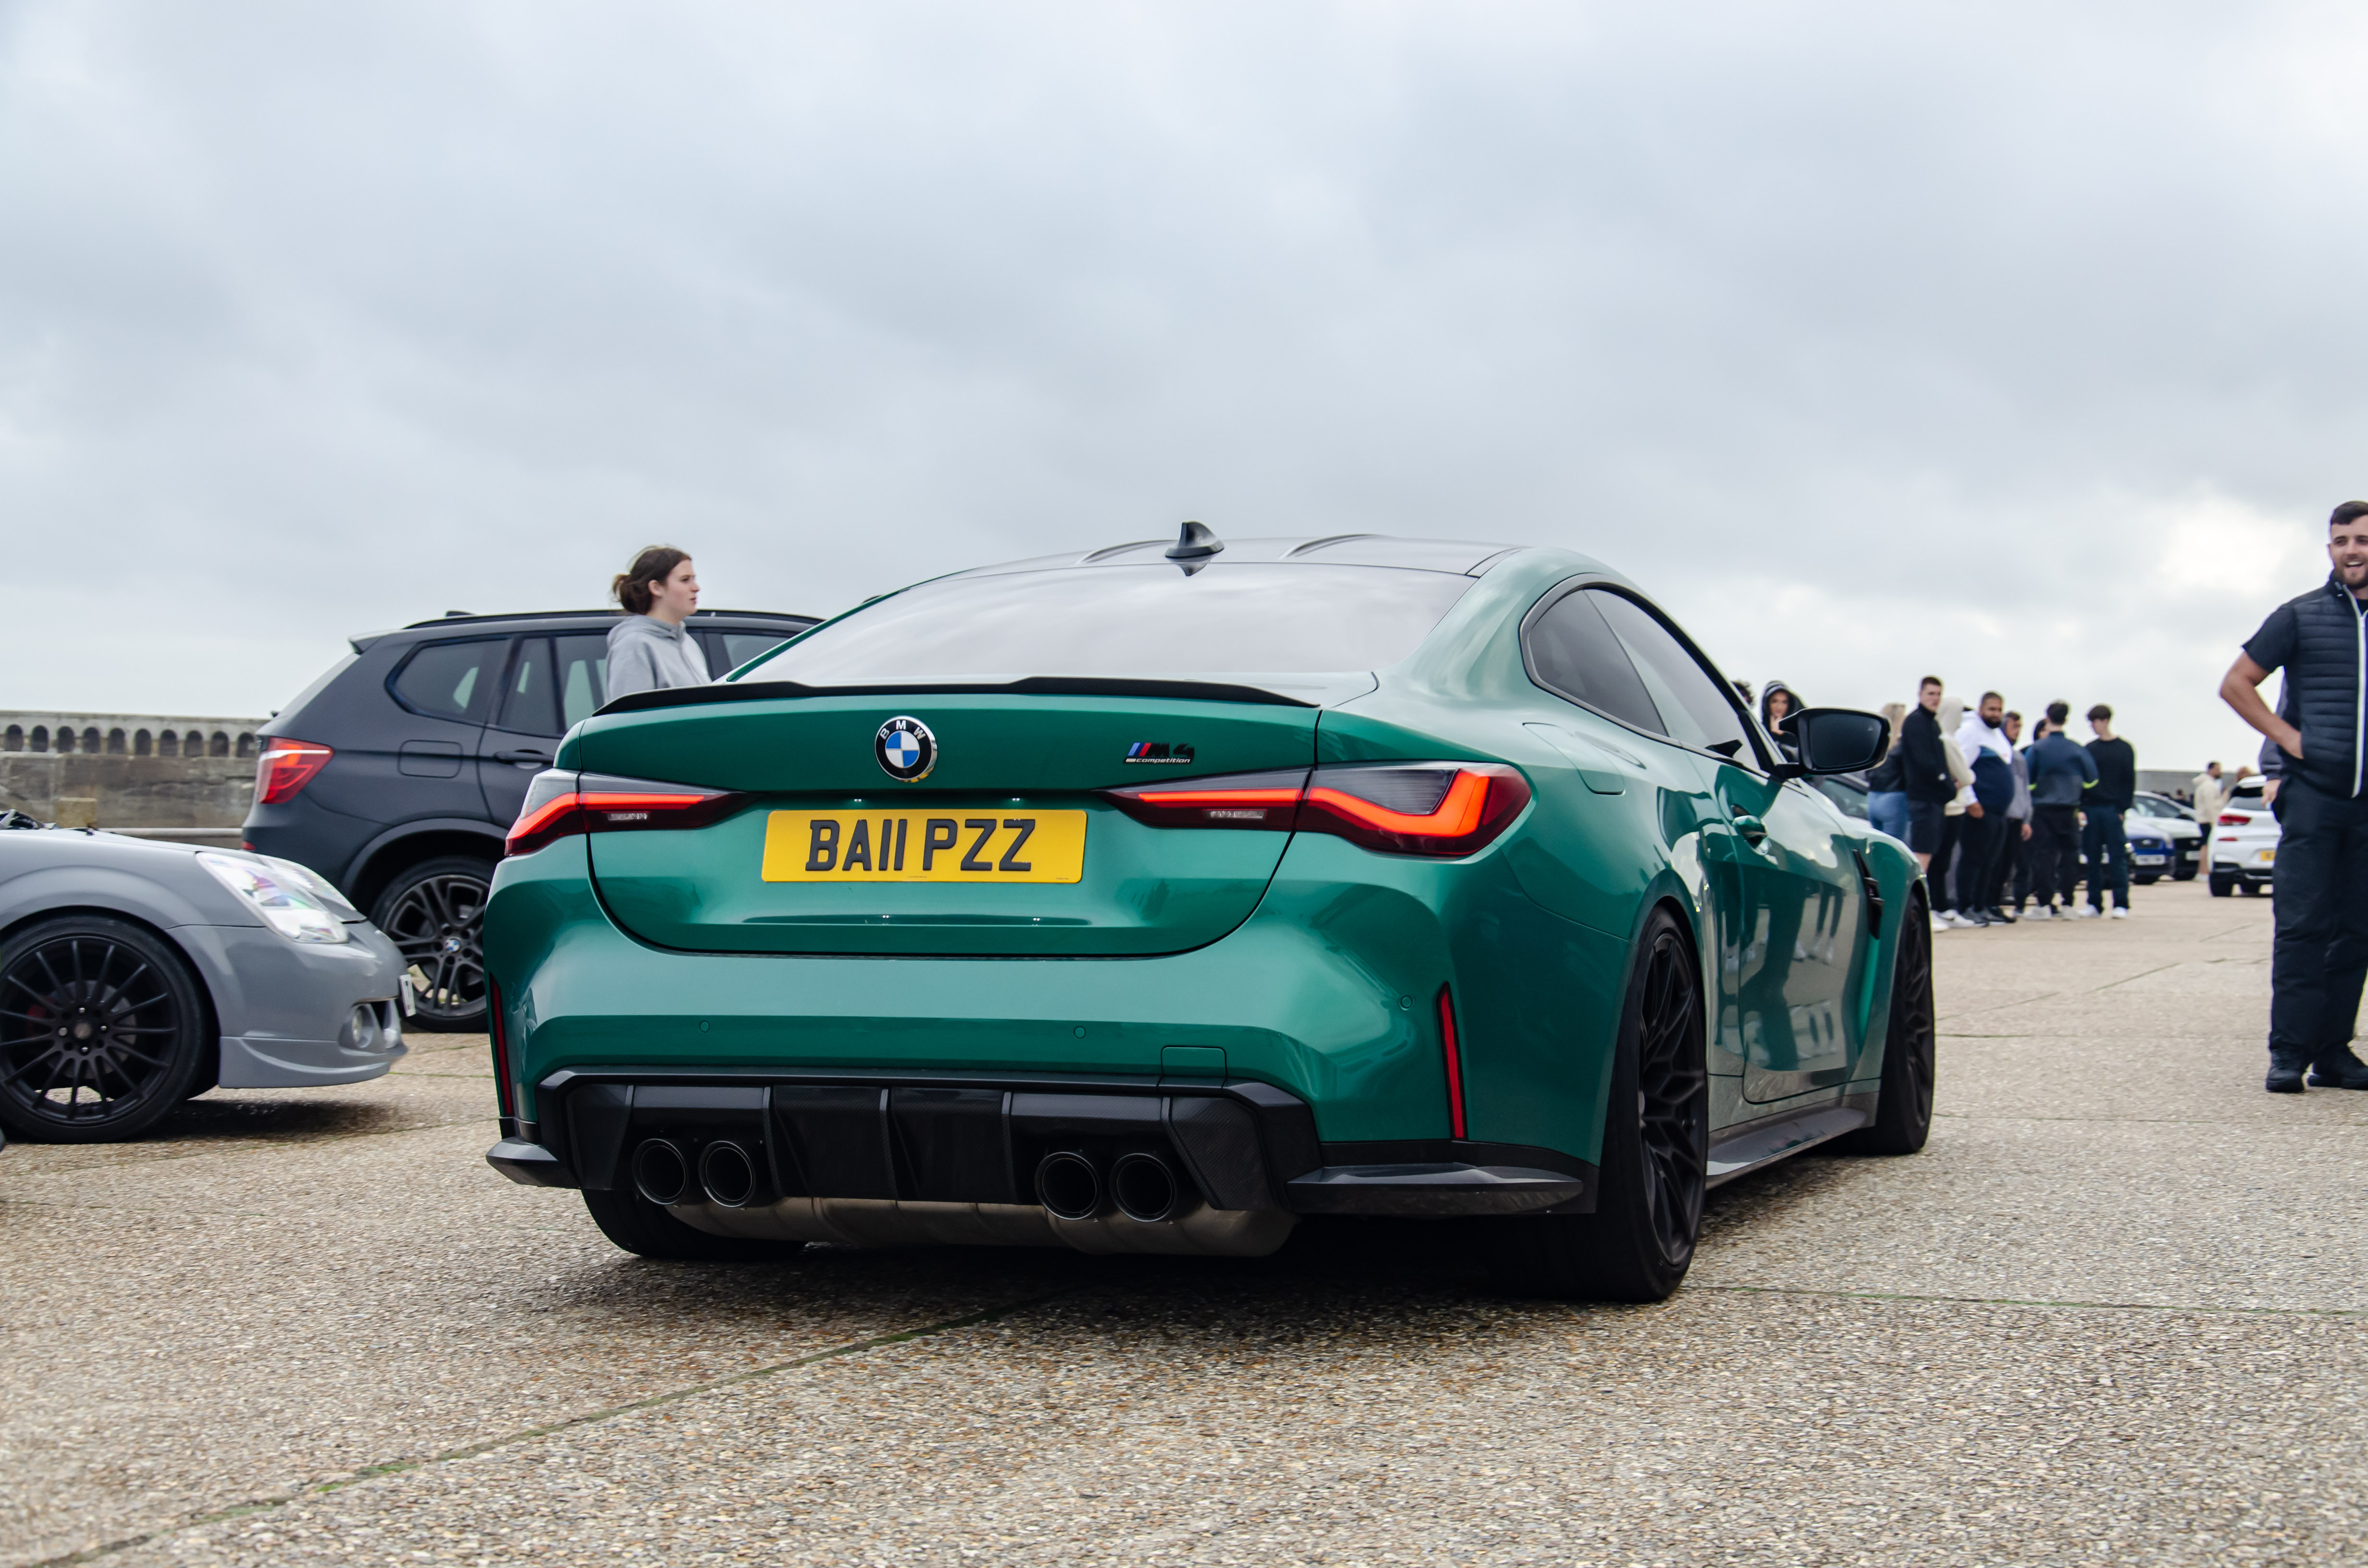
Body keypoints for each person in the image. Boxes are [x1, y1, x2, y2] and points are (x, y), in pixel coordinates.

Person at [2218, 500, 2368, 1093]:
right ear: (2329, 549)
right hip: (2313, 797)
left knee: (2355, 931)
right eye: (2341, 541)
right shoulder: (2299, 616)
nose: (2351, 550)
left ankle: (2332, 1052)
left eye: (2361, 540)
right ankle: (2287, 1052)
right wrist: (2288, 741)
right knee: (2302, 927)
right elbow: (2236, 683)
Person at [605, 546, 712, 698]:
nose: (696, 588)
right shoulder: (634, 645)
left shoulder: (688, 644)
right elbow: (631, 712)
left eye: (694, 579)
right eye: (685, 580)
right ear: (656, 588)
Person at [1945, 693, 2014, 928]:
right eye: (1991, 709)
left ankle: (1982, 905)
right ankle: (1966, 906)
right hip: (1980, 809)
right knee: (1973, 860)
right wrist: (1970, 801)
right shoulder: (1970, 732)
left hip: (1999, 811)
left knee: (1991, 861)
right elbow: (1959, 769)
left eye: (1999, 710)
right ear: (1981, 709)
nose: (1996, 714)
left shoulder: (1997, 735)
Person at [2024, 700, 2096, 920]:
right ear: (2066, 720)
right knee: (2070, 858)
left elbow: (2027, 780)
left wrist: (2041, 790)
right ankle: (2068, 905)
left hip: (2043, 809)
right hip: (2070, 809)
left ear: (2048, 718)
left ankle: (2044, 905)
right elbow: (2092, 779)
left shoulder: (2038, 749)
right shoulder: (2076, 749)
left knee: (2044, 857)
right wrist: (2076, 792)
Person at [1899, 678, 1955, 900]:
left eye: (1939, 694)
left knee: (1930, 852)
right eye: (1931, 694)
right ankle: (1914, 902)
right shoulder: (1915, 722)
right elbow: (1925, 763)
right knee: (1922, 853)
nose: (1935, 699)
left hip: (1935, 799)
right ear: (1920, 694)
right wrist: (1947, 785)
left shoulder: (1933, 723)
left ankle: (1924, 902)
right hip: (1923, 798)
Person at [2082, 704, 2136, 919]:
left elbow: (2129, 781)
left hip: (2113, 810)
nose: (2092, 727)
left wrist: (2122, 808)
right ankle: (2094, 904)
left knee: (2118, 858)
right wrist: (2082, 807)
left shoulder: (2124, 748)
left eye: (2094, 722)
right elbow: (2084, 780)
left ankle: (2121, 904)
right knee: (2092, 858)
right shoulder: (2090, 749)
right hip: (2092, 808)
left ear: (2105, 721)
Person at [1990, 710, 2034, 919]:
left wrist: (2027, 818)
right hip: (2000, 815)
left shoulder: (2018, 757)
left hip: (2017, 818)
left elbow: (2025, 789)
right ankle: (1988, 903)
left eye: (2020, 727)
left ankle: (1995, 904)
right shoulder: (1995, 753)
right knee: (1994, 863)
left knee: (2008, 865)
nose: (2017, 731)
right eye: (2013, 727)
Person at [1865, 702, 1910, 842]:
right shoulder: (1901, 746)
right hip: (1894, 798)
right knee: (1893, 846)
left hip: (1873, 797)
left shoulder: (1874, 743)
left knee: (1878, 845)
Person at [1759, 681, 1803, 762]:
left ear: (1790, 705)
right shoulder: (1758, 730)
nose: (1779, 707)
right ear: (1767, 703)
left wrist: (1783, 735)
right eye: (1774, 701)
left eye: (1784, 702)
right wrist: (1773, 735)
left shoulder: (1798, 732)